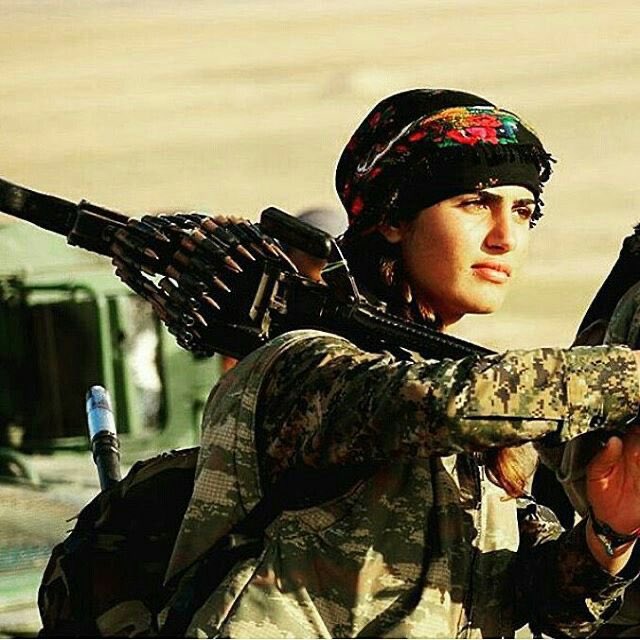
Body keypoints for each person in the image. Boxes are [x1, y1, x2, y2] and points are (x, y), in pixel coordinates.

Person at [164, 89, 640, 638]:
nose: (505, 238)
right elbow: (445, 403)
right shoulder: (305, 367)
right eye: (475, 204)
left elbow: (539, 602)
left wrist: (609, 534)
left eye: (523, 211)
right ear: (393, 218)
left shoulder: (480, 413)